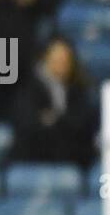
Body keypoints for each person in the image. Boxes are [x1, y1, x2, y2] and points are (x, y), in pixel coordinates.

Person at [9, 37, 97, 167]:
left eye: (65, 60)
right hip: (32, 160)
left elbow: (83, 126)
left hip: (73, 162)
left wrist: (53, 119)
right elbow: (27, 126)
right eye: (56, 59)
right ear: (45, 59)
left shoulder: (79, 90)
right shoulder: (28, 88)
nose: (61, 64)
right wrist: (63, 122)